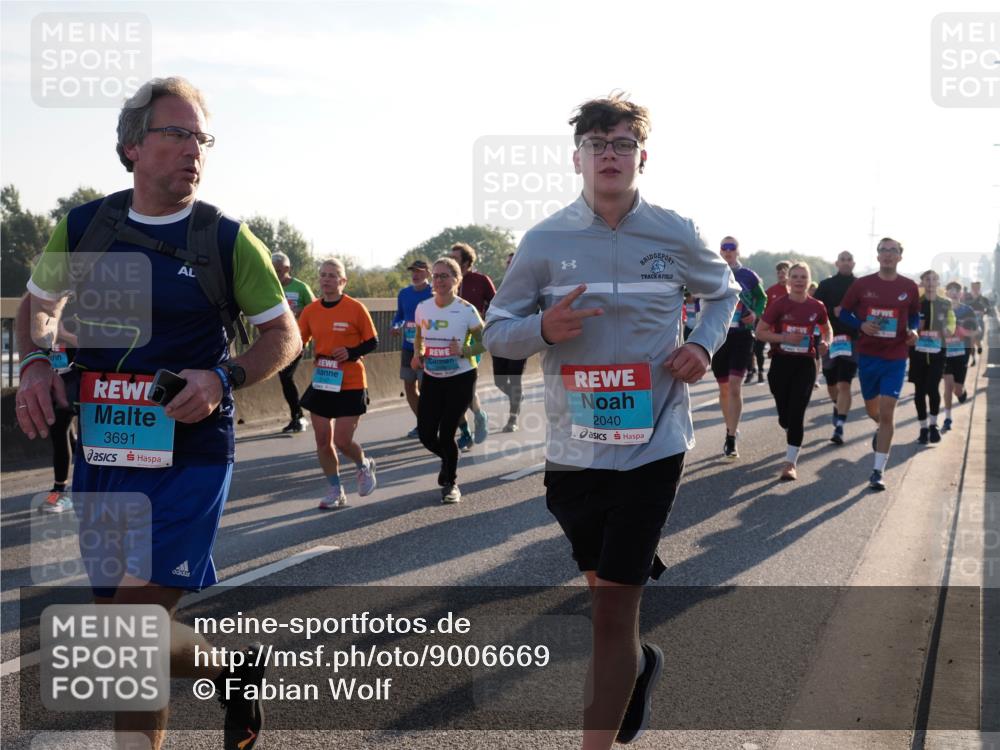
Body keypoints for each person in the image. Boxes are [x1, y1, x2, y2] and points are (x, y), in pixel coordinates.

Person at [14, 77, 299, 750]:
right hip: (106, 452)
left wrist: (222, 374)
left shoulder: (227, 240)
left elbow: (283, 335)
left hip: (190, 454)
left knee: (129, 635)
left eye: (200, 138)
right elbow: (38, 306)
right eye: (176, 135)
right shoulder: (88, 227)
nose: (192, 150)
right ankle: (232, 668)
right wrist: (34, 362)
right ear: (133, 147)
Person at [484, 93, 738, 749]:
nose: (610, 155)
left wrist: (703, 344)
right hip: (575, 449)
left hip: (655, 443)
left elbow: (725, 292)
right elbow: (497, 335)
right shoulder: (545, 241)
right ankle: (637, 666)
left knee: (609, 608)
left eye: (622, 144)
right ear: (578, 158)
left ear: (641, 157)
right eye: (598, 144)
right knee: (608, 599)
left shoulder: (675, 231)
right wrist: (542, 326)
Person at [838, 237, 920, 491]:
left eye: (892, 250)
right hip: (869, 355)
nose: (887, 254)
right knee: (873, 409)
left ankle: (877, 471)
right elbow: (843, 312)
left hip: (895, 356)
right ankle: (879, 428)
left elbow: (915, 314)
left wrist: (914, 331)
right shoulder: (863, 284)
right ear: (877, 256)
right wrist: (860, 324)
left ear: (899, 256)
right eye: (883, 250)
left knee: (887, 412)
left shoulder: (909, 286)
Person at [297, 258, 379, 509]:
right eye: (323, 275)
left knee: (343, 441)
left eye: (333, 275)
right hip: (323, 379)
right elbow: (300, 341)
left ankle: (363, 464)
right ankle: (335, 489)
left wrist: (351, 352)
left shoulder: (355, 308)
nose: (326, 279)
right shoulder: (311, 310)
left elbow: (372, 341)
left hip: (351, 381)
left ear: (343, 281)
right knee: (322, 440)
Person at [412, 257, 485, 503]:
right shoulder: (423, 307)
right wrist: (417, 354)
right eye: (436, 276)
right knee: (425, 434)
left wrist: (464, 351)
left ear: (456, 279)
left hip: (461, 377)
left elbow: (485, 342)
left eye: (445, 276)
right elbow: (419, 336)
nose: (439, 280)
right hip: (432, 376)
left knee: (446, 433)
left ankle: (451, 484)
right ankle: (449, 457)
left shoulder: (466, 310)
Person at [756, 263, 831, 480]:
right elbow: (761, 332)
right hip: (781, 362)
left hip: (805, 364)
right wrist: (783, 338)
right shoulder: (779, 305)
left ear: (809, 280)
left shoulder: (817, 306)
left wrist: (826, 341)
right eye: (795, 276)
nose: (799, 280)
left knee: (797, 412)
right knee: (785, 417)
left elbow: (827, 328)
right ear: (789, 280)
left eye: (803, 277)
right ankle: (788, 426)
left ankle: (790, 463)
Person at [713, 236, 766, 458]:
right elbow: (694, 295)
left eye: (731, 247)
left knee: (735, 385)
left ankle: (731, 437)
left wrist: (755, 314)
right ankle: (729, 427)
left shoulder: (748, 276)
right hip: (719, 335)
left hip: (742, 335)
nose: (727, 251)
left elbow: (762, 299)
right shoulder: (712, 271)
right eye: (723, 247)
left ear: (738, 251)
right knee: (724, 387)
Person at [450, 242, 495, 447]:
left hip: (473, 340)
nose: (452, 262)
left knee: (465, 389)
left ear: (467, 262)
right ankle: (465, 432)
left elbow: (497, 304)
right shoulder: (447, 281)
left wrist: (485, 318)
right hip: (447, 342)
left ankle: (478, 415)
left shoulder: (481, 280)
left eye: (456, 259)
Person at [813, 251, 858, 444]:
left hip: (852, 339)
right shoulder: (826, 285)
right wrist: (833, 311)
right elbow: (817, 309)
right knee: (832, 384)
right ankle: (836, 405)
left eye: (849, 260)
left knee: (844, 383)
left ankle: (839, 426)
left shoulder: (860, 285)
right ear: (836, 263)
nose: (846, 263)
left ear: (853, 263)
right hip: (830, 338)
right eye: (843, 260)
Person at [271, 251, 316, 433]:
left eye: (279, 270)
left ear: (287, 269)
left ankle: (299, 416)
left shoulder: (301, 287)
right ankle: (297, 415)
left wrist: (300, 310)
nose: (276, 274)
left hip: (298, 339)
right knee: (285, 378)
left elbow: (315, 308)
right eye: (273, 270)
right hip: (278, 339)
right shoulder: (271, 286)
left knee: (286, 376)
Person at [909, 270, 955, 444]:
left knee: (932, 388)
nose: (930, 282)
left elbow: (951, 322)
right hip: (918, 353)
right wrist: (915, 328)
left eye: (934, 279)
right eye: (927, 279)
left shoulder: (945, 303)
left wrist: (948, 330)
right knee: (919, 391)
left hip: (937, 353)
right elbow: (907, 323)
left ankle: (933, 425)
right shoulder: (916, 303)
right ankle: (922, 427)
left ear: (938, 283)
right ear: (922, 282)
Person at [391, 258, 433, 437]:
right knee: (409, 387)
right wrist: (396, 325)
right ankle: (423, 423)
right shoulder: (404, 293)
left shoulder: (434, 292)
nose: (415, 275)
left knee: (426, 388)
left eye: (419, 271)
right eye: (413, 271)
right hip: (408, 347)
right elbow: (400, 315)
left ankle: (433, 422)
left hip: (427, 348)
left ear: (428, 273)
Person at [491, 252, 528, 432]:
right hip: (500, 338)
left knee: (514, 380)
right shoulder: (502, 283)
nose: (509, 265)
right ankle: (517, 397)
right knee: (499, 381)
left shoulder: (530, 283)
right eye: (507, 262)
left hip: (519, 339)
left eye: (512, 262)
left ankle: (512, 418)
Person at [942, 280, 978, 431]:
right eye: (951, 289)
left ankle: (961, 393)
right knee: (948, 386)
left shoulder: (967, 310)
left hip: (962, 352)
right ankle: (948, 418)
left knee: (957, 389)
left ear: (960, 293)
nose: (954, 292)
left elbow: (974, 331)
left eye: (957, 289)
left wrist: (961, 331)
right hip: (945, 353)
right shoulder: (940, 309)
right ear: (946, 292)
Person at [747, 260, 790, 384]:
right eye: (779, 273)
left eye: (784, 272)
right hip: (775, 333)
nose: (781, 275)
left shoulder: (795, 290)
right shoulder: (771, 291)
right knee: (779, 359)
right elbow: (764, 311)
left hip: (793, 332)